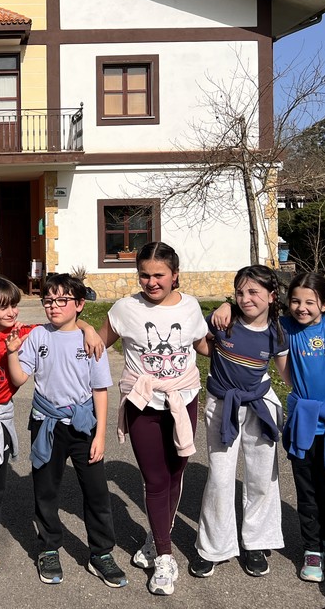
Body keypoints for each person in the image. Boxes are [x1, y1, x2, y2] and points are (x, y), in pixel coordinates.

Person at [0, 276, 104, 586]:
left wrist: (89, 327)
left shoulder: (27, 333)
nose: (11, 312)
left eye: (14, 306)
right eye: (2, 307)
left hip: (1, 417)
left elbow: (64, 324)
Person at [213, 271, 325, 584]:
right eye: (295, 301)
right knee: (306, 492)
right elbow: (253, 311)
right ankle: (312, 549)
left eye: (309, 302)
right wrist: (227, 305)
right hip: (303, 423)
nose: (301, 307)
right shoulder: (285, 328)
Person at [97, 242, 209, 596]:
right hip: (142, 402)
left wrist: (230, 319)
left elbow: (203, 344)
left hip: (183, 400)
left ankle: (156, 534)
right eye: (144, 275)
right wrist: (80, 329)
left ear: (175, 275)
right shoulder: (125, 308)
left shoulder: (191, 306)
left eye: (159, 275)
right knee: (156, 479)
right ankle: (164, 555)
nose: (151, 282)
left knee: (176, 473)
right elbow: (96, 343)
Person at [3, 273, 128, 589]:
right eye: (48, 300)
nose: (54, 306)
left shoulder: (91, 341)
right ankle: (48, 547)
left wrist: (100, 435)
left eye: (62, 300)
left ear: (80, 304)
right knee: (45, 490)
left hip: (84, 425)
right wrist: (11, 352)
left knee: (96, 492)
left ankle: (101, 553)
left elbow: (100, 389)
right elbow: (19, 378)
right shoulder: (38, 336)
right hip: (46, 423)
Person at [191, 265, 289, 580]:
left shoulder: (277, 332)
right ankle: (212, 547)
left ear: (271, 296)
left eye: (253, 292)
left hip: (260, 407)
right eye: (240, 293)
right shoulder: (225, 320)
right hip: (223, 406)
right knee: (220, 479)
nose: (246, 298)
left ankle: (256, 543)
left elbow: (287, 375)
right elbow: (200, 343)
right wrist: (224, 308)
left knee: (261, 478)